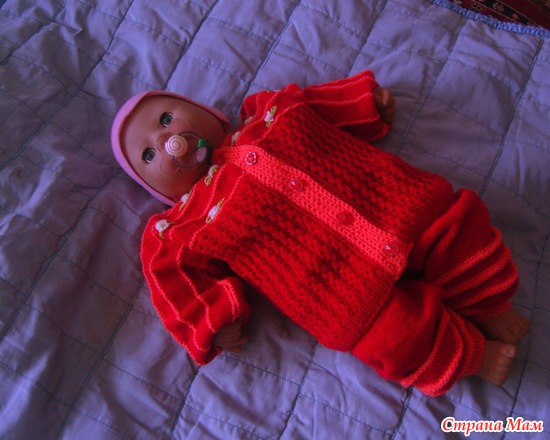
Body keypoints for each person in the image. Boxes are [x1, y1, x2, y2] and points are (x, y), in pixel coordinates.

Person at [111, 70, 530, 396]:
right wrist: (211, 319)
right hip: (337, 290)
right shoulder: (181, 224)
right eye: (148, 153)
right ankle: (472, 357)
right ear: (158, 192)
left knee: (458, 234)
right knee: (395, 339)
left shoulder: (271, 112)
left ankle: (491, 306)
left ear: (208, 113)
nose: (166, 139)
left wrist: (364, 104)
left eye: (166, 118)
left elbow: (316, 104)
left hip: (395, 203)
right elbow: (169, 274)